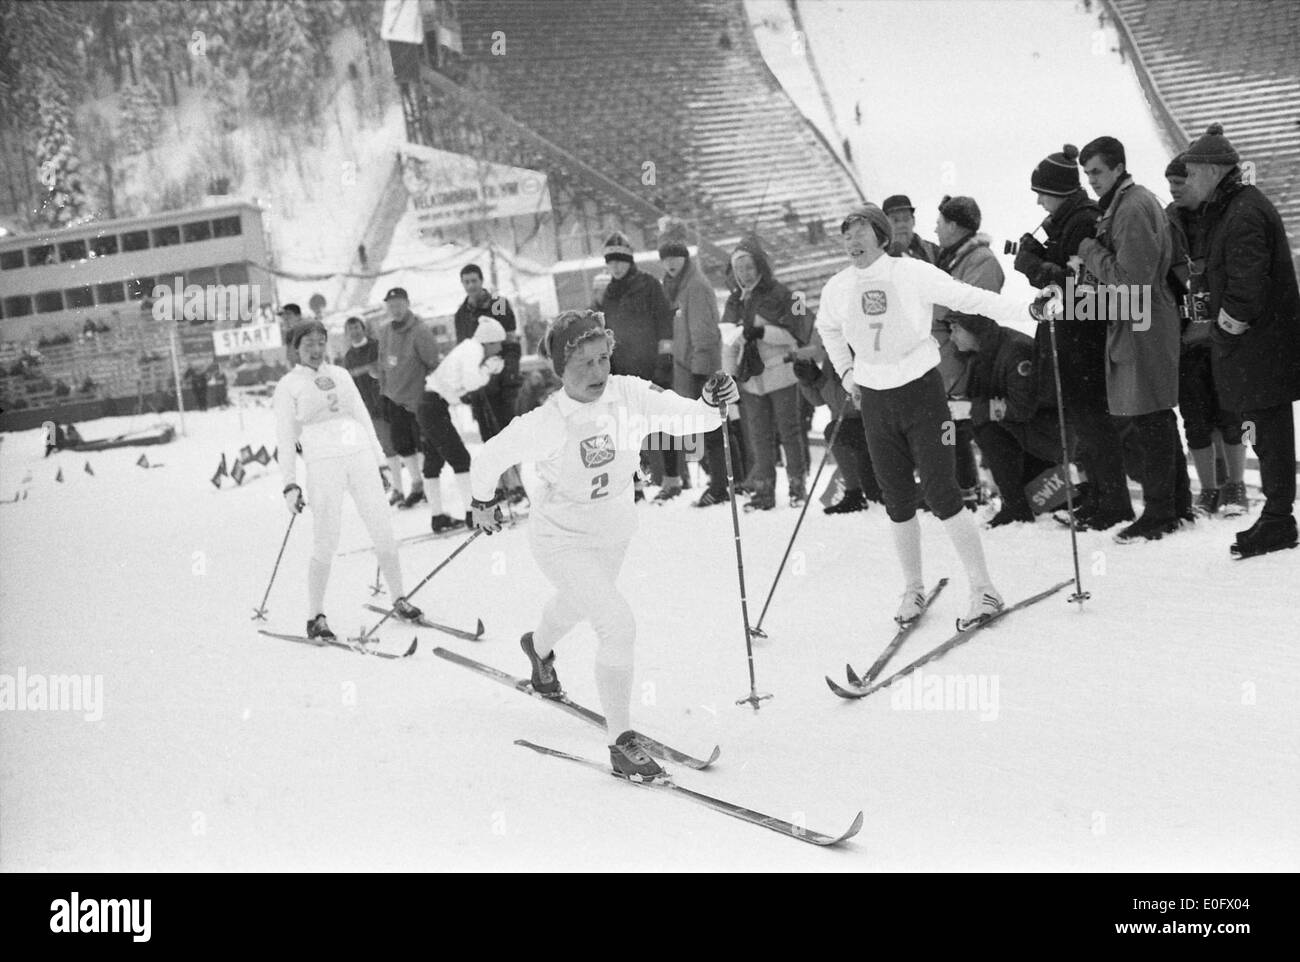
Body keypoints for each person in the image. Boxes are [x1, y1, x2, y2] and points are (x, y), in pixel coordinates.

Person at [466, 309, 737, 779]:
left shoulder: (629, 393)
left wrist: (714, 403)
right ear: (560, 370)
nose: (597, 372)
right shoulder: (548, 421)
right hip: (561, 540)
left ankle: (538, 650)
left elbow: (693, 419)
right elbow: (488, 457)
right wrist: (482, 501)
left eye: (602, 359)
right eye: (583, 364)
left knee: (576, 604)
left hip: (613, 533)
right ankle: (620, 742)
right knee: (616, 624)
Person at [816, 204, 1052, 630]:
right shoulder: (838, 287)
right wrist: (847, 372)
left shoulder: (910, 273)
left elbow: (970, 298)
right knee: (897, 498)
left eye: (861, 233)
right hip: (876, 401)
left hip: (923, 395)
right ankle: (912, 586)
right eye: (846, 235)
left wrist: (1028, 311)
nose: (852, 242)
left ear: (882, 237)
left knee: (943, 492)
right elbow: (827, 328)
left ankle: (984, 588)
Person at [1181, 124, 1300, 557]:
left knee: (1269, 433)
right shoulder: (1235, 206)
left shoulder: (1243, 211)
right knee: (1265, 432)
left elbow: (1248, 288)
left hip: (1258, 349)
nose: (1188, 181)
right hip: (1257, 348)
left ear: (1213, 171)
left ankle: (1279, 518)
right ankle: (1277, 515)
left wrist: (1222, 329)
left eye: (1192, 173)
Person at [1074, 135, 1191, 543]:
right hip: (1142, 318)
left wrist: (1089, 250)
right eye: (1087, 173)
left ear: (1119, 168)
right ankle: (1176, 504)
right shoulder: (1127, 204)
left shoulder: (1132, 207)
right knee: (1155, 413)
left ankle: (1161, 512)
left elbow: (1131, 281)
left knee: (1150, 415)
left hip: (1143, 318)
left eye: (1098, 172)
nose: (1092, 181)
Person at [273, 320, 421, 640]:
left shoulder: (340, 375)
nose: (315, 349)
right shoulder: (288, 385)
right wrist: (290, 483)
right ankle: (316, 616)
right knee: (326, 539)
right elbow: (285, 439)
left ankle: (399, 597)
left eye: (320, 342)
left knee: (383, 529)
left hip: (359, 457)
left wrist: (380, 462)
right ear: (295, 348)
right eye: (307, 344)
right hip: (323, 463)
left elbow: (362, 417)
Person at [1012, 143, 1133, 530]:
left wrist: (1034, 266)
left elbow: (1078, 284)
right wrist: (1041, 251)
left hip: (1084, 332)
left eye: (1041, 195)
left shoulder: (1081, 221)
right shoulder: (1069, 220)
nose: (1038, 204)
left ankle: (1114, 501)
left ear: (1059, 193)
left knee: (1094, 420)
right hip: (1074, 329)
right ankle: (1098, 495)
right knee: (1084, 420)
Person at [1164, 153, 1247, 519]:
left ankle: (1236, 485)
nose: (1175, 192)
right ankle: (1209, 489)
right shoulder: (1168, 220)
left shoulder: (1221, 216)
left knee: (1233, 413)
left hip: (1223, 331)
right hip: (1186, 335)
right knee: (1195, 417)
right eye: (1170, 186)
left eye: (1181, 184)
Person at [720, 235, 812, 510]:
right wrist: (729, 378)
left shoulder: (780, 294)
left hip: (779, 372)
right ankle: (764, 490)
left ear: (759, 266)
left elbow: (796, 334)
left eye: (749, 267)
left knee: (789, 431)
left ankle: (797, 486)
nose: (744, 274)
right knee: (758, 435)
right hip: (750, 379)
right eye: (739, 269)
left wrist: (763, 332)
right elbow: (727, 342)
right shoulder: (734, 301)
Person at [948, 314, 1063, 526]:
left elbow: (1022, 408)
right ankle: (958, 489)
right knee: (953, 427)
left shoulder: (1016, 351)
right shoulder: (983, 351)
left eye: (956, 329)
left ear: (974, 329)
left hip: (1045, 437)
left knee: (987, 429)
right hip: (1023, 432)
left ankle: (1016, 506)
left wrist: (971, 409)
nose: (952, 337)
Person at [657, 217, 738, 506]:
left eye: (676, 257)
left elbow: (704, 333)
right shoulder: (675, 286)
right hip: (686, 368)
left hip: (699, 369)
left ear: (685, 257)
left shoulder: (695, 286)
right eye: (665, 258)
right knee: (706, 429)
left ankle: (721, 484)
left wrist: (701, 373)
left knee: (712, 430)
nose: (670, 263)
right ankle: (726, 480)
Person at [592, 232, 676, 500]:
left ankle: (672, 480)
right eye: (611, 262)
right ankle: (637, 483)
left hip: (651, 364)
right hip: (622, 368)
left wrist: (665, 357)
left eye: (620, 261)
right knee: (627, 429)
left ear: (629, 261)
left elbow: (665, 321)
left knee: (662, 424)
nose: (615, 267)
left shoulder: (649, 285)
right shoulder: (609, 293)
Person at [934, 195, 1002, 510]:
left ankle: (970, 487)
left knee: (961, 423)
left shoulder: (981, 260)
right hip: (946, 354)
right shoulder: (951, 257)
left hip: (963, 356)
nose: (935, 229)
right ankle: (960, 485)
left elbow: (974, 305)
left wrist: (935, 309)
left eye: (940, 222)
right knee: (949, 422)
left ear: (955, 225)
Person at [419, 317, 507, 532]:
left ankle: (437, 516)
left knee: (433, 462)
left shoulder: (469, 347)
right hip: (433, 406)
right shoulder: (473, 350)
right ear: (488, 342)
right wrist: (488, 370)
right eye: (498, 344)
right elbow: (470, 382)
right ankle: (472, 514)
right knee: (461, 459)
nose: (499, 349)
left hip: (429, 404)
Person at [791, 333, 883, 513]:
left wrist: (818, 380)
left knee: (837, 430)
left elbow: (848, 402)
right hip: (849, 425)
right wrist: (806, 381)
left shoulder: (855, 353)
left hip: (869, 424)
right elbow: (820, 399)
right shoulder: (832, 355)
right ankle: (854, 492)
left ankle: (861, 492)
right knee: (836, 430)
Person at [375, 287, 442, 510]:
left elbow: (432, 362)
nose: (395, 309)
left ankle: (427, 485)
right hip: (394, 399)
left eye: (399, 304)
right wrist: (384, 394)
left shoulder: (419, 330)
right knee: (402, 445)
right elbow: (382, 365)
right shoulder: (385, 332)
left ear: (408, 304)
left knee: (423, 443)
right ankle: (416, 483)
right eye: (391, 305)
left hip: (418, 398)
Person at [343, 315, 406, 505]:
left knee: (406, 443)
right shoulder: (348, 357)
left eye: (357, 327)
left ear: (364, 328)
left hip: (389, 401)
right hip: (369, 409)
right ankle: (399, 489)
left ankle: (420, 485)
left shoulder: (377, 346)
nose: (354, 331)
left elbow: (388, 367)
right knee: (388, 448)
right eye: (350, 329)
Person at [883, 194, 939, 264]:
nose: (901, 225)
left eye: (906, 218)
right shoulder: (877, 256)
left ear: (913, 221)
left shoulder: (933, 251)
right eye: (895, 220)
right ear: (884, 225)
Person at [278, 303, 303, 368]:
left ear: (298, 316)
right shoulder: (288, 334)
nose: (286, 320)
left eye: (289, 316)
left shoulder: (307, 331)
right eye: (284, 318)